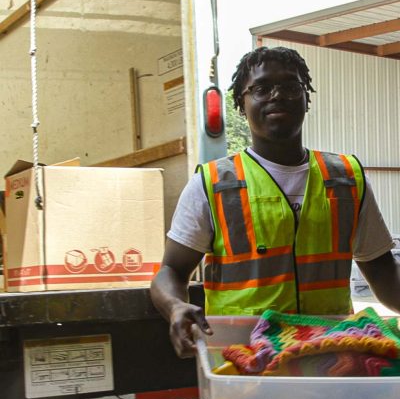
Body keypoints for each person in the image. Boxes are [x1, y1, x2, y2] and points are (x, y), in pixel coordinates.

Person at [150, 46, 400, 358]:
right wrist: (175, 306)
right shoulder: (213, 184)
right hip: (244, 363)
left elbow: (385, 274)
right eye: (261, 88)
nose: (277, 95)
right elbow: (171, 269)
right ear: (242, 104)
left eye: (291, 87)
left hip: (330, 361)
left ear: (307, 99)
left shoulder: (346, 179)